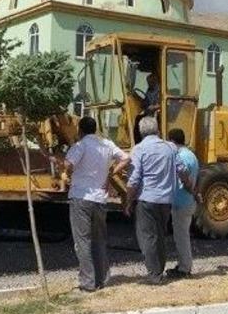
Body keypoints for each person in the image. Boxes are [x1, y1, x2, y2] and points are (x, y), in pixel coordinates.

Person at [124, 117, 196, 285]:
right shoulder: (170, 148)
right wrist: (189, 186)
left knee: (147, 237)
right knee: (160, 235)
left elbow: (134, 180)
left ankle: (154, 275)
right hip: (166, 201)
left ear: (141, 132)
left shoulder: (139, 149)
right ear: (157, 130)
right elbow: (182, 171)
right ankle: (159, 270)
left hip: (147, 199)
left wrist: (128, 201)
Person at [63, 116, 130, 292]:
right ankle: (102, 279)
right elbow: (126, 158)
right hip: (100, 199)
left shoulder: (80, 146)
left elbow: (68, 164)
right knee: (99, 239)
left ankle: (88, 283)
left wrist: (67, 172)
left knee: (82, 241)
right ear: (95, 129)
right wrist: (110, 174)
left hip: (81, 197)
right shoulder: (106, 144)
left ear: (80, 130)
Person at [166, 128, 200, 279]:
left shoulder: (181, 156)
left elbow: (184, 177)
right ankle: (182, 265)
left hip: (182, 201)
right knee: (181, 235)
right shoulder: (191, 155)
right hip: (187, 201)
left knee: (181, 237)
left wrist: (192, 192)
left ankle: (184, 268)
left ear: (172, 141)